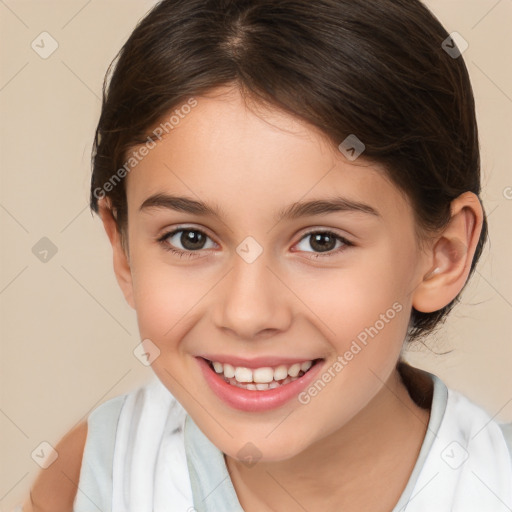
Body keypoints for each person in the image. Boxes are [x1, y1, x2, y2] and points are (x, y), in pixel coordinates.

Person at [20, 0, 512, 510]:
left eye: (322, 241)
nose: (248, 314)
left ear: (443, 255)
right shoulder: (93, 476)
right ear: (123, 250)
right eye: (190, 238)